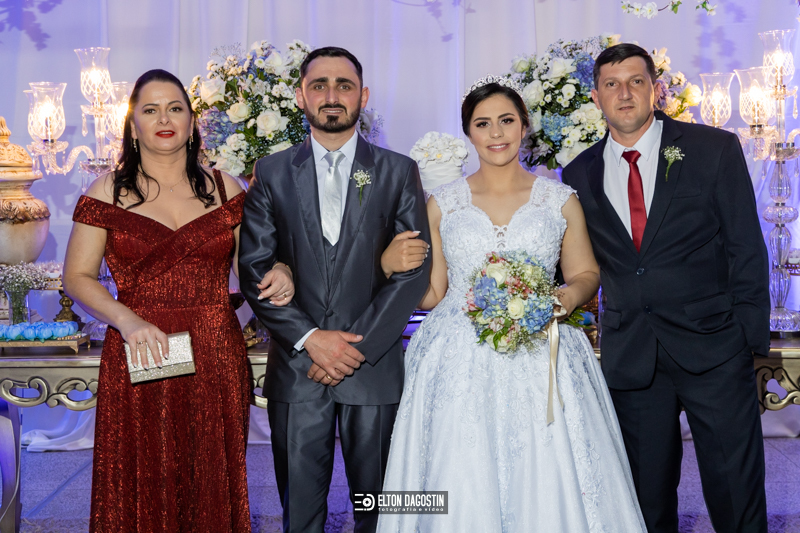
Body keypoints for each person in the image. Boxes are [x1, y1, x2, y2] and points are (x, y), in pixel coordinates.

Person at [376, 78, 645, 532]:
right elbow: (434, 293)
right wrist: (386, 266)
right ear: (469, 132)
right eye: (483, 124)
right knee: (458, 466)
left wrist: (564, 297)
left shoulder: (559, 199)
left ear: (524, 127)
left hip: (543, 346)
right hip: (458, 357)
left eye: (506, 121)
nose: (496, 133)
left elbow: (586, 273)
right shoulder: (443, 203)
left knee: (549, 463)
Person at [63, 69, 294, 532]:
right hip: (141, 347)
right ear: (133, 126)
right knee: (142, 473)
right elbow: (77, 277)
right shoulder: (107, 190)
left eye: (175, 109)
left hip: (214, 350)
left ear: (192, 122)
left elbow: (252, 267)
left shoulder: (226, 188)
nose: (164, 119)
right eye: (150, 110)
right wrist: (127, 321)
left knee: (209, 474)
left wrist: (282, 269)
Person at [561, 43, 770, 533]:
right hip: (632, 356)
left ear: (655, 89)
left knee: (736, 496)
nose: (624, 93)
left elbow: (745, 245)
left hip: (715, 349)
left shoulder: (712, 148)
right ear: (595, 97)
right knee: (644, 502)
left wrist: (746, 340)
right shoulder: (578, 173)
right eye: (611, 84)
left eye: (636, 81)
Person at [237, 47, 431, 533]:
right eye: (319, 85)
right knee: (300, 513)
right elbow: (255, 267)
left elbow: (414, 269)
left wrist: (353, 348)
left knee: (378, 510)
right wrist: (311, 340)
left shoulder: (397, 170)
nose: (331, 95)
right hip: (299, 368)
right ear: (300, 96)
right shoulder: (271, 172)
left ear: (363, 96)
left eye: (344, 85)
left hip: (373, 367)